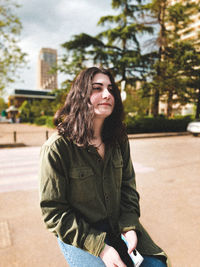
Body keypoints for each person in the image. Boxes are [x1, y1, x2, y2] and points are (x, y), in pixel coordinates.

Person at [39, 67, 170, 267]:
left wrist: (129, 227)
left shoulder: (119, 138)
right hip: (80, 233)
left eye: (111, 89)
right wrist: (100, 247)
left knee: (157, 265)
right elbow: (54, 212)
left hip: (118, 223)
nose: (107, 94)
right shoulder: (57, 147)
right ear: (81, 95)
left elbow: (128, 187)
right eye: (97, 88)